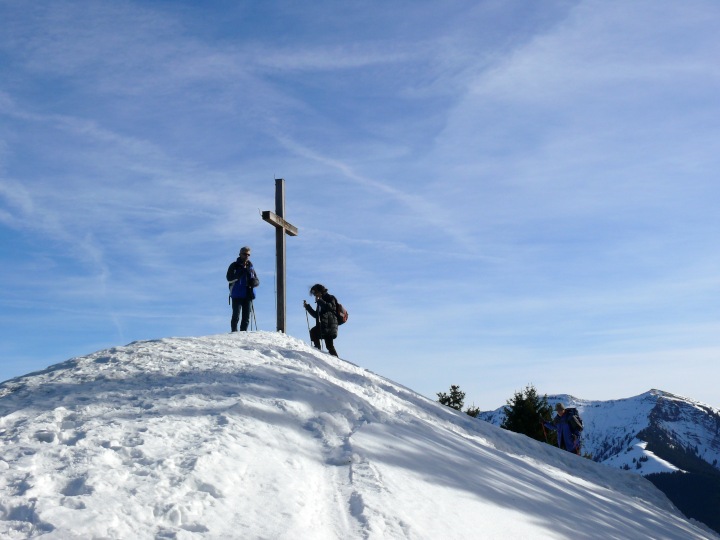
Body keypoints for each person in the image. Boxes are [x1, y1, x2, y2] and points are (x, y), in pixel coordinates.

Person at [226, 246, 259, 332]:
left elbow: (256, 279)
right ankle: (234, 332)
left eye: (248, 254)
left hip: (248, 294)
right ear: (240, 254)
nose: (247, 256)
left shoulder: (251, 267)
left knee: (246, 316)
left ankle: (243, 333)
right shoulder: (234, 265)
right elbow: (229, 278)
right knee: (236, 315)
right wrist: (240, 274)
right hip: (237, 294)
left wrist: (254, 282)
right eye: (245, 254)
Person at [303, 284, 339, 357]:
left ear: (320, 291)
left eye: (315, 293)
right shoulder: (320, 301)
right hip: (324, 325)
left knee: (314, 332)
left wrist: (320, 300)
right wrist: (307, 307)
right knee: (329, 346)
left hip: (329, 325)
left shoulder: (330, 298)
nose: (314, 295)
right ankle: (335, 360)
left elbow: (329, 307)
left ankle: (317, 350)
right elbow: (316, 315)